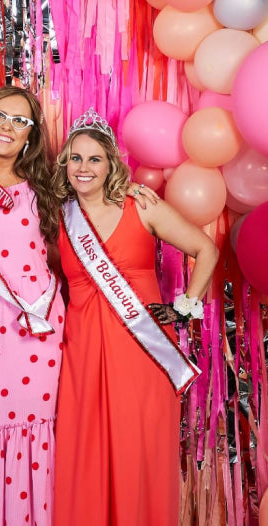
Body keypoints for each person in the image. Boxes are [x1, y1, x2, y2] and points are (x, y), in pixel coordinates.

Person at [0, 88, 158, 525]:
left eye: (20, 121)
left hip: (38, 334)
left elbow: (92, 208)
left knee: (39, 432)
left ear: (30, 134)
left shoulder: (47, 189)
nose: (7, 127)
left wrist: (132, 191)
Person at [52, 109, 219, 526]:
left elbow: (207, 250)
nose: (84, 167)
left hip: (142, 353)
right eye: (75, 158)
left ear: (111, 163)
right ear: (64, 164)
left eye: (94, 159)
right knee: (85, 452)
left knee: (137, 450)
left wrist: (186, 305)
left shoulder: (142, 206)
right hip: (82, 356)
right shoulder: (59, 218)